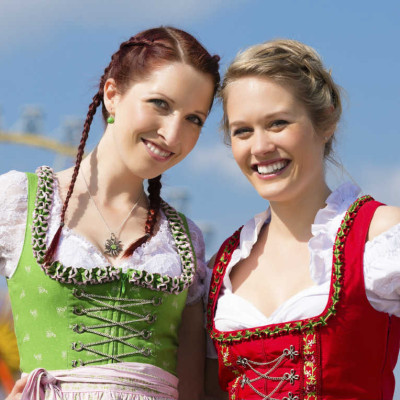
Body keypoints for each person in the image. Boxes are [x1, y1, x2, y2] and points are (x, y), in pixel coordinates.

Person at [0, 26, 220, 400]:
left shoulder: (185, 240)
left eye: (194, 119)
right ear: (112, 95)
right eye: (160, 104)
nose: (173, 134)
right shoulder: (18, 200)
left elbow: (191, 389)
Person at [205, 39, 400, 400]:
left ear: (326, 121)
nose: (260, 147)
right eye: (242, 130)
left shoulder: (383, 237)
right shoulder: (221, 267)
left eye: (278, 123)